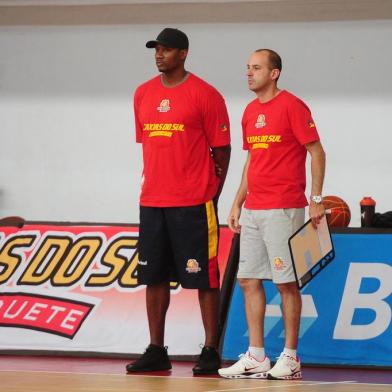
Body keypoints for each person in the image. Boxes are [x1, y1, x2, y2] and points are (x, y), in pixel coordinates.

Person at [126, 28, 231, 375]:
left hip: (194, 202)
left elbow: (222, 149)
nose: (159, 55)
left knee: (204, 278)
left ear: (183, 54)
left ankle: (211, 349)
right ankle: (157, 349)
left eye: (167, 50)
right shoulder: (142, 94)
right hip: (153, 200)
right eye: (156, 49)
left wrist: (212, 192)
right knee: (153, 276)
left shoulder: (205, 94)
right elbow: (149, 144)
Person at [218, 49, 325, 380]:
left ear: (274, 73)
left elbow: (317, 151)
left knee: (285, 283)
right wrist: (237, 201)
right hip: (254, 209)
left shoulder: (292, 106)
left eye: (257, 68)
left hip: (283, 207)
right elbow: (252, 160)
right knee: (248, 280)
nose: (249, 73)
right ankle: (257, 356)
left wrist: (316, 198)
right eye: (247, 68)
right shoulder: (249, 111)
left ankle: (290, 357)